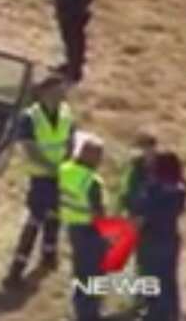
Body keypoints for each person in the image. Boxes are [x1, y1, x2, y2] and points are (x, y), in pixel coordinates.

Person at [3, 74, 76, 288]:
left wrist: (67, 166)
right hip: (41, 177)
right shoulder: (30, 117)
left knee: (55, 214)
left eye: (62, 92)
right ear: (44, 93)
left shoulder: (66, 113)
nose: (61, 95)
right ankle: (16, 271)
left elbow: (70, 141)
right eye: (56, 91)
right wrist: (54, 169)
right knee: (35, 220)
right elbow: (30, 149)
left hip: (60, 174)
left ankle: (49, 256)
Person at [131, 151, 186, 321]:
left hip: (151, 239)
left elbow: (139, 211)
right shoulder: (180, 188)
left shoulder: (152, 189)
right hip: (170, 238)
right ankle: (171, 314)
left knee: (151, 279)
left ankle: (155, 315)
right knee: (169, 279)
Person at [61, 133, 108, 320]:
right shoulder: (92, 181)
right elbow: (99, 213)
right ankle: (90, 314)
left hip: (73, 228)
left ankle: (80, 311)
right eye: (99, 155)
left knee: (80, 273)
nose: (100, 160)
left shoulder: (65, 170)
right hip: (91, 232)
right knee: (94, 275)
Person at [115, 131, 158, 216]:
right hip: (135, 213)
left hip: (155, 215)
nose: (145, 151)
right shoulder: (134, 167)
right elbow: (124, 191)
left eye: (146, 147)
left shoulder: (163, 167)